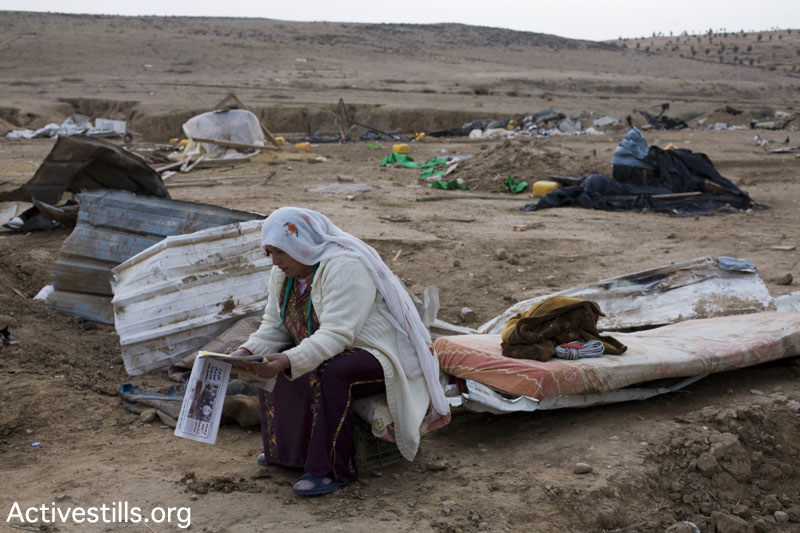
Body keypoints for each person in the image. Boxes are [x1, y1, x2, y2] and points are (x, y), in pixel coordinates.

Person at [229, 207, 450, 496]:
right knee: (273, 361)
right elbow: (274, 325)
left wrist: (288, 358)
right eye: (269, 252)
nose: (275, 261)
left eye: (280, 252)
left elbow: (338, 333)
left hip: (379, 353)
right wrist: (246, 352)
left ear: (302, 244)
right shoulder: (282, 275)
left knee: (330, 371)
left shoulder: (345, 266)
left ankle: (331, 469)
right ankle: (284, 453)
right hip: (332, 346)